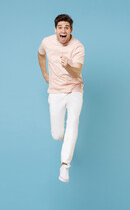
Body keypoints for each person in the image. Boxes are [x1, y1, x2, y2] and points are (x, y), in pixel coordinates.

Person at [37, 14, 85, 183]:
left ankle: (65, 165)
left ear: (71, 30)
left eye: (66, 27)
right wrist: (45, 74)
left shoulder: (78, 47)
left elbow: (77, 72)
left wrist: (68, 66)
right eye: (60, 27)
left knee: (73, 123)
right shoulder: (47, 42)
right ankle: (69, 140)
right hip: (56, 91)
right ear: (55, 29)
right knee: (58, 134)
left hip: (74, 91)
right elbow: (40, 54)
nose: (63, 30)